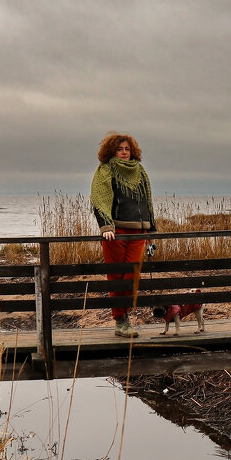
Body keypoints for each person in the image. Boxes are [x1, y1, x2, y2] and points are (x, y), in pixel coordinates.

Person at [90, 132, 156, 337]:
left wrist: (151, 229)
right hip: (115, 232)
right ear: (112, 151)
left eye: (127, 149)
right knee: (116, 276)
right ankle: (120, 320)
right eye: (120, 149)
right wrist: (106, 227)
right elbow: (99, 200)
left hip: (139, 231)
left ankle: (123, 314)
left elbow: (148, 203)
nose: (124, 152)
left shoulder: (140, 171)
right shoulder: (105, 170)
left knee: (132, 274)